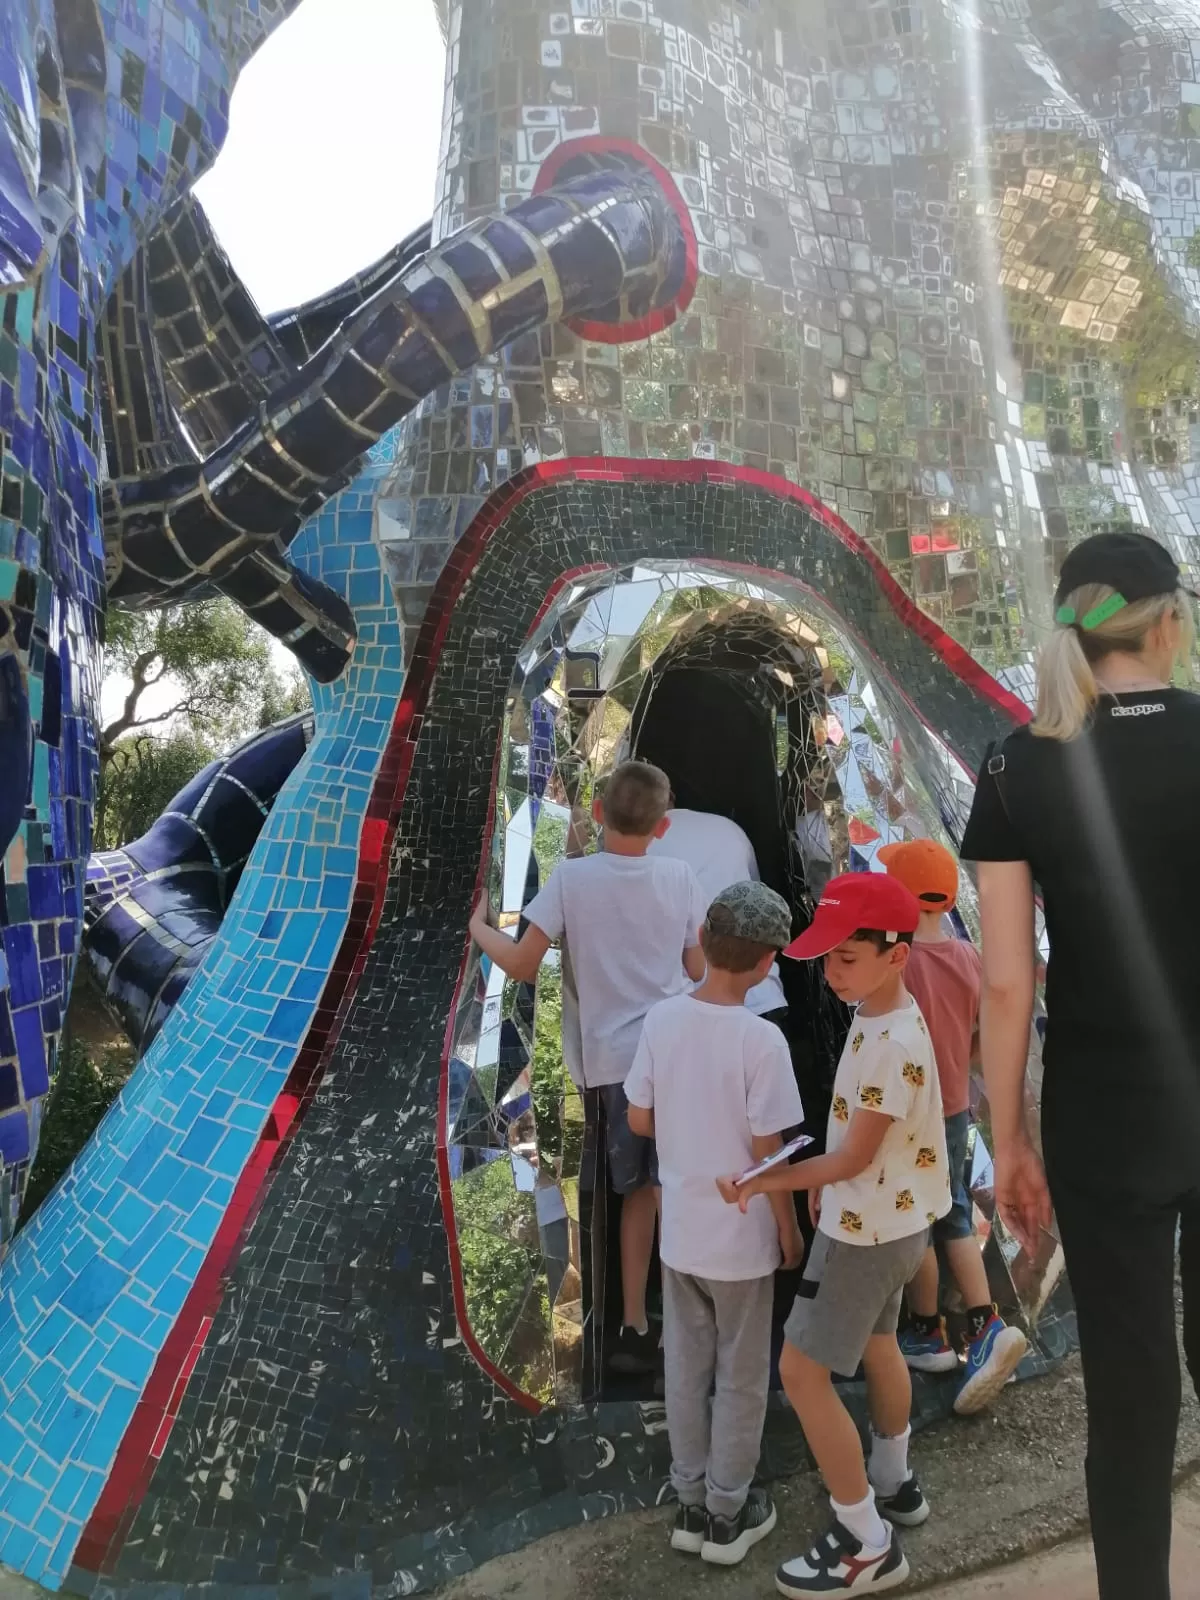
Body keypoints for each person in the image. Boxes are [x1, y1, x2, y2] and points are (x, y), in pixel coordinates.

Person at [959, 530, 1200, 1600]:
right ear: (1169, 623)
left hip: (1104, 1114)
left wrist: (1007, 1133)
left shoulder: (1017, 765)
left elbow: (1007, 983)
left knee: (1132, 1393)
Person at [720, 872, 950, 1596]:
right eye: (826, 957)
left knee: (801, 1372)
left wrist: (767, 1181)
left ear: (898, 954)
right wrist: (829, 1184)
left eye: (847, 957)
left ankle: (864, 1538)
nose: (831, 972)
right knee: (880, 1344)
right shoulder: (882, 1012)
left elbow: (851, 1156)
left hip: (864, 1234)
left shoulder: (889, 1041)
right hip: (898, 1222)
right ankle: (891, 1479)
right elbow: (861, 1139)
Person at [469, 759, 707, 1375]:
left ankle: (617, 1322)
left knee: (613, 1192)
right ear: (663, 825)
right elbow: (699, 969)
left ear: (598, 814)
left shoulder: (573, 882)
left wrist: (476, 927)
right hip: (676, 1054)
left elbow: (522, 963)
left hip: (610, 1067)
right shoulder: (680, 875)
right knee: (660, 1192)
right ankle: (657, 1317)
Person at [625, 882, 805, 1566]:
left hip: (681, 1237)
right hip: (742, 1239)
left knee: (685, 1366)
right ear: (767, 965)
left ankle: (690, 1500)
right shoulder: (762, 1041)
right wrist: (787, 1229)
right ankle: (729, 1514)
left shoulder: (662, 1020)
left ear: (702, 941)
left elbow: (639, 1119)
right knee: (741, 1375)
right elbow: (769, 1150)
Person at [878, 838, 1028, 1413]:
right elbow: (983, 1041)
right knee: (954, 1212)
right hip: (954, 1109)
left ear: (902, 894)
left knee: (916, 1220)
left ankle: (927, 1331)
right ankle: (986, 1324)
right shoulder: (968, 958)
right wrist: (956, 1070)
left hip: (907, 1113)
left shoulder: (897, 960)